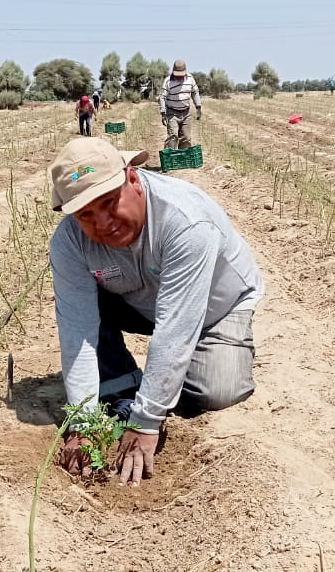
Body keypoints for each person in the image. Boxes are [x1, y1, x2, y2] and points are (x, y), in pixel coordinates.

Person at [47, 137, 264, 486]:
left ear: (132, 179)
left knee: (216, 390)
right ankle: (123, 383)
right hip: (136, 299)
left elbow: (176, 326)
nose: (103, 223)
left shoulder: (185, 221)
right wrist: (84, 424)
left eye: (108, 202)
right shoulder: (69, 242)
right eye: (86, 214)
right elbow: (77, 328)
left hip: (214, 307)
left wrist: (146, 421)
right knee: (88, 304)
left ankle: (188, 368)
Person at [158, 60, 202, 150]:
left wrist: (198, 107)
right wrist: (163, 113)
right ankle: (171, 160)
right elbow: (162, 97)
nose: (179, 76)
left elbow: (195, 92)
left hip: (186, 113)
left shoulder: (190, 79)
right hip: (172, 113)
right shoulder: (168, 81)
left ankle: (183, 160)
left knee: (186, 138)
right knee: (172, 137)